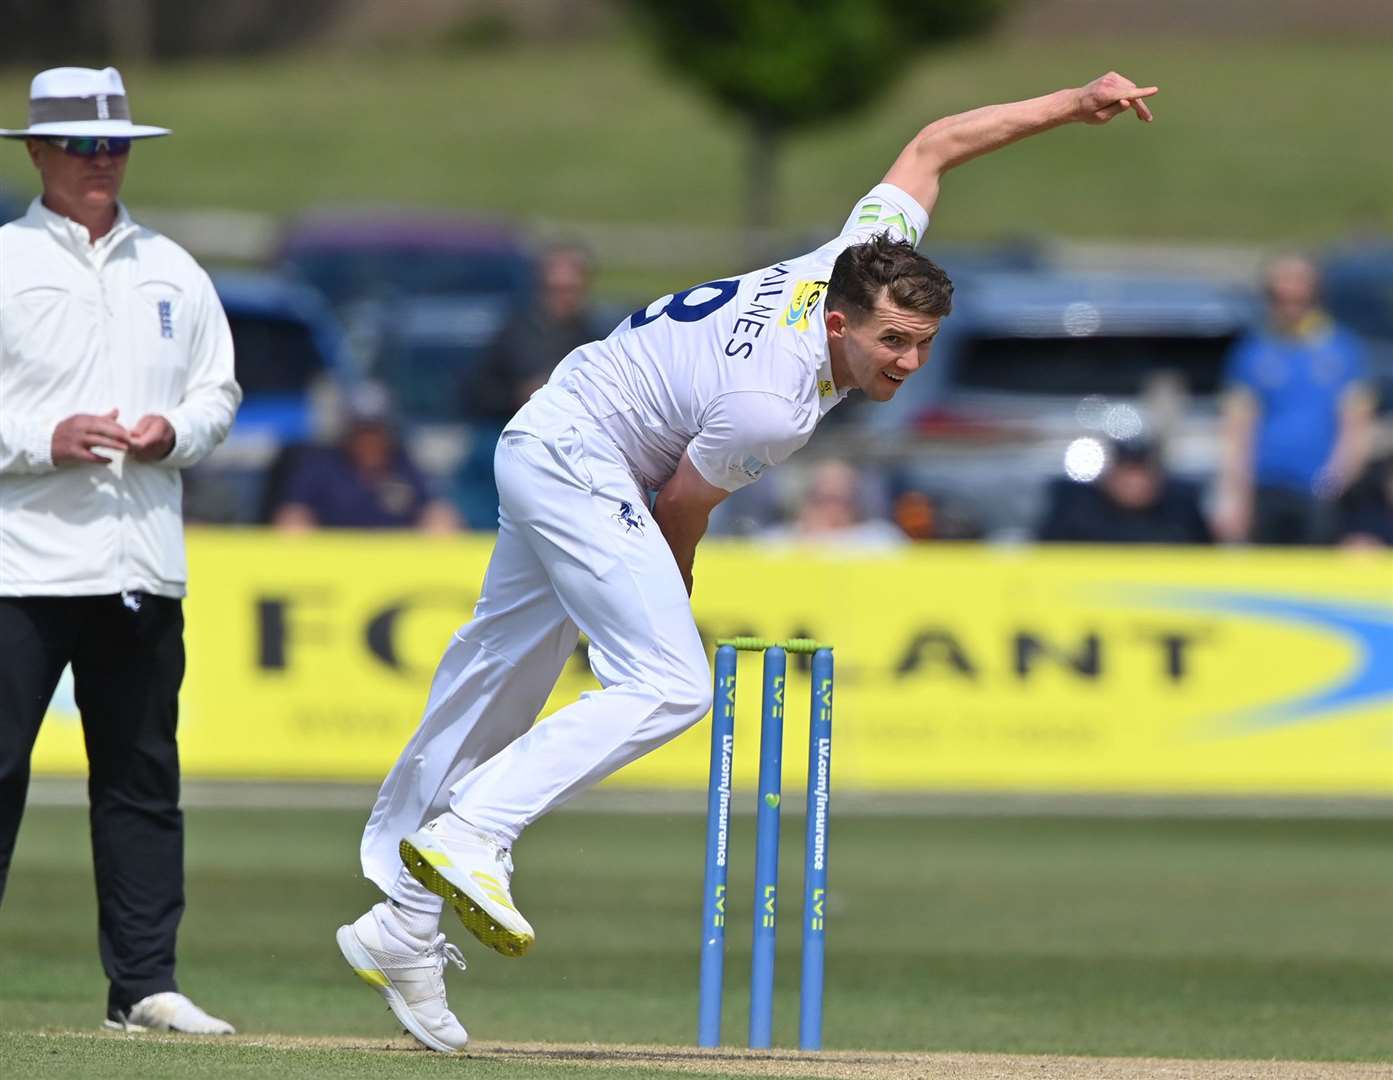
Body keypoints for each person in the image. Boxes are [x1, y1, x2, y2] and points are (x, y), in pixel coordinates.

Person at [336, 72, 1160, 1052]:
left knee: (496, 684)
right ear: (842, 321)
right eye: (893, 342)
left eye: (924, 344)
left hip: (551, 437)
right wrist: (662, 593)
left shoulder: (849, 257)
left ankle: (402, 923)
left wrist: (1074, 103)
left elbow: (936, 143)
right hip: (579, 457)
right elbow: (682, 505)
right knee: (670, 681)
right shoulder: (775, 398)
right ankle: (470, 836)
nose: (906, 363)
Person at [0, 67, 240, 1034]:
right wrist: (40, 440)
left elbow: (217, 395)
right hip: (19, 564)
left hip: (139, 562)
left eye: (116, 145)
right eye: (82, 146)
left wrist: (170, 433)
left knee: (142, 779)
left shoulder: (173, 269)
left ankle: (143, 986)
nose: (102, 162)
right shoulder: (7, 263)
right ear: (37, 152)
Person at [1215, 255, 1375, 545]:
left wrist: (1337, 479)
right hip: (1266, 485)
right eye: (1279, 297)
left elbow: (1356, 425)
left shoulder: (1344, 351)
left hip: (1320, 489)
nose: (1289, 306)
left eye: (1298, 297)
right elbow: (1237, 428)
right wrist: (1235, 492)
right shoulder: (1252, 351)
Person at [454, 243, 610, 527]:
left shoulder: (596, 339)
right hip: (508, 433)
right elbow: (474, 393)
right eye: (555, 289)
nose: (563, 297)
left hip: (572, 444)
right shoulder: (512, 334)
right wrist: (519, 395)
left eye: (571, 289)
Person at [270, 382, 459, 533]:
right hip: (333, 565)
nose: (369, 441)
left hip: (395, 567)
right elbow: (292, 516)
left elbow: (436, 513)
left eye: (375, 432)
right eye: (361, 432)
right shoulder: (322, 467)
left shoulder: (403, 466)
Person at [1036, 436, 1212, 544]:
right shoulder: (1075, 511)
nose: (1134, 482)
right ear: (1109, 476)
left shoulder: (1181, 513)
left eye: (1142, 473)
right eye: (1127, 473)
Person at [760, 459, 907, 548]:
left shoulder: (881, 539)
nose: (832, 508)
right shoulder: (776, 540)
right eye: (823, 499)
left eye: (841, 500)